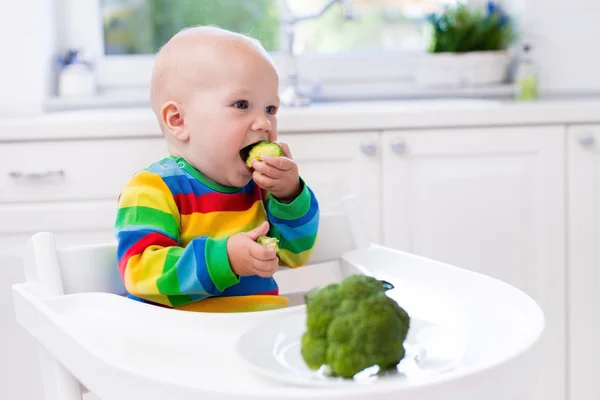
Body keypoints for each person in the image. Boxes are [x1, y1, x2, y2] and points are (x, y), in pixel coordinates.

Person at [113, 25, 319, 312]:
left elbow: (296, 253)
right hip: (181, 341)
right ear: (178, 120)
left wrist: (290, 194)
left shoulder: (261, 188)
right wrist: (225, 259)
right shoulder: (152, 189)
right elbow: (141, 272)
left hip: (259, 331)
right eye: (241, 104)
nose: (264, 123)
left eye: (270, 109)